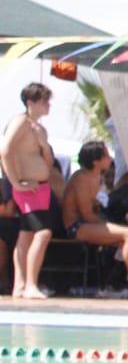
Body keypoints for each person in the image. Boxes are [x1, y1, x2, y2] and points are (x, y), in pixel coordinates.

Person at [61, 141, 128, 298]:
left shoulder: (96, 178)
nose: (110, 158)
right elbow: (86, 215)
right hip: (78, 227)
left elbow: (94, 208)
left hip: (90, 223)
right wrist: (113, 225)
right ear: (96, 161)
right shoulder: (82, 178)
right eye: (106, 155)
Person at [0, 83, 58, 299]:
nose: (47, 105)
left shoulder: (39, 129)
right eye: (43, 100)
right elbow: (5, 151)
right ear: (31, 102)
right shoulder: (20, 122)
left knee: (25, 236)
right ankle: (31, 283)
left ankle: (20, 284)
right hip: (27, 187)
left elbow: (49, 162)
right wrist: (15, 183)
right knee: (43, 233)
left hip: (40, 187)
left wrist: (43, 144)